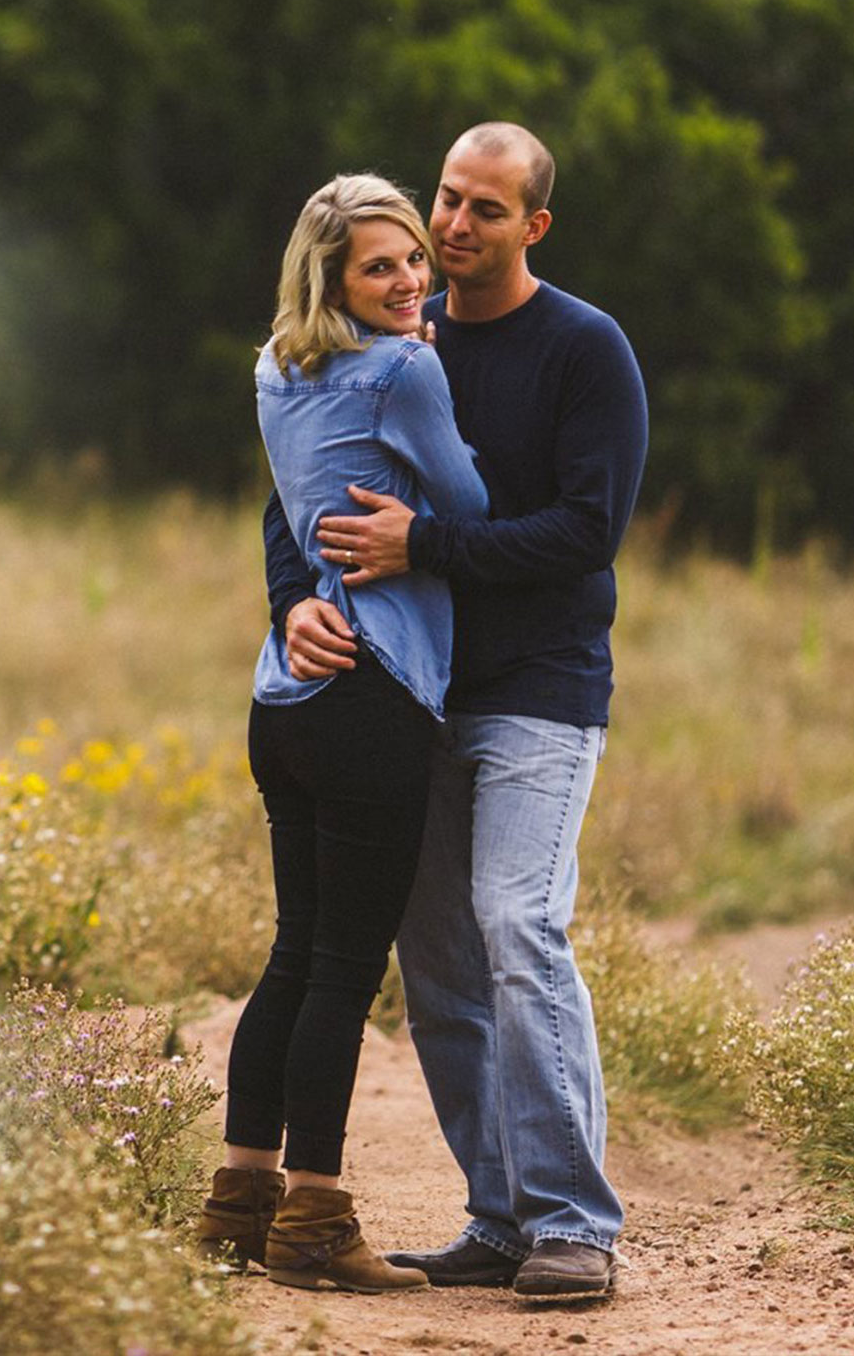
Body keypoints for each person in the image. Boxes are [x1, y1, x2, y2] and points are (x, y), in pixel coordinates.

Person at [279, 122, 648, 1303]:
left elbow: (590, 533)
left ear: (533, 225)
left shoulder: (586, 350)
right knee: (434, 956)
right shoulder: (394, 335)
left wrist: (424, 543)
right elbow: (300, 487)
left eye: (487, 210)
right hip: (412, 696)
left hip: (541, 688)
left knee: (517, 928)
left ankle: (575, 1222)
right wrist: (292, 600)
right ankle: (501, 1219)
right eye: (446, 198)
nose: (451, 227)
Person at [199, 173, 489, 1293]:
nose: (412, 280)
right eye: (382, 266)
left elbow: (292, 504)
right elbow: (461, 509)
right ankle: (316, 1221)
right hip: (377, 688)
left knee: (292, 951)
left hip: (287, 696)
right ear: (333, 278)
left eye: (415, 257)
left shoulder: (275, 367)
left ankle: (239, 1200)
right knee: (342, 969)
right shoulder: (409, 366)